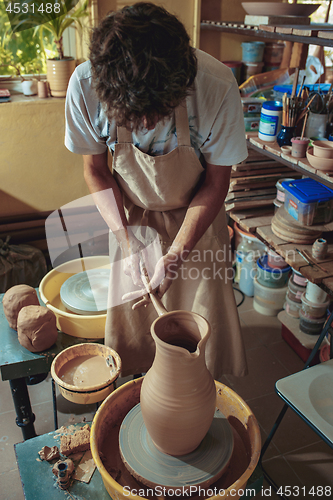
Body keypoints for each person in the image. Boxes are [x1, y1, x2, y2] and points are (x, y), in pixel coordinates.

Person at [65, 2, 248, 379]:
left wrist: (177, 252)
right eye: (135, 118)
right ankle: (140, 397)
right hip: (129, 215)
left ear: (184, 81)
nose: (146, 124)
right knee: (133, 335)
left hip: (200, 216)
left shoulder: (215, 86)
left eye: (158, 113)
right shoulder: (84, 86)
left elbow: (217, 181)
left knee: (202, 340)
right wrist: (129, 243)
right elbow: (96, 171)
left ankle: (192, 399)